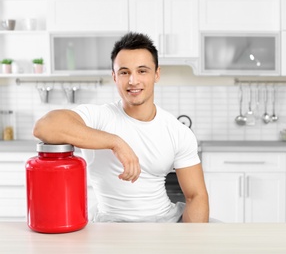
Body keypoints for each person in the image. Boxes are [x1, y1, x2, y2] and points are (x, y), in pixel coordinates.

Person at [33, 32, 209, 223]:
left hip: (164, 222)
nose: (133, 81)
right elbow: (44, 127)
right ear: (114, 76)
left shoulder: (177, 131)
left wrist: (191, 243)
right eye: (124, 72)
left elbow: (196, 196)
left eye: (142, 71)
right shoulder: (98, 117)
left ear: (156, 74)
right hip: (109, 225)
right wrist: (115, 142)